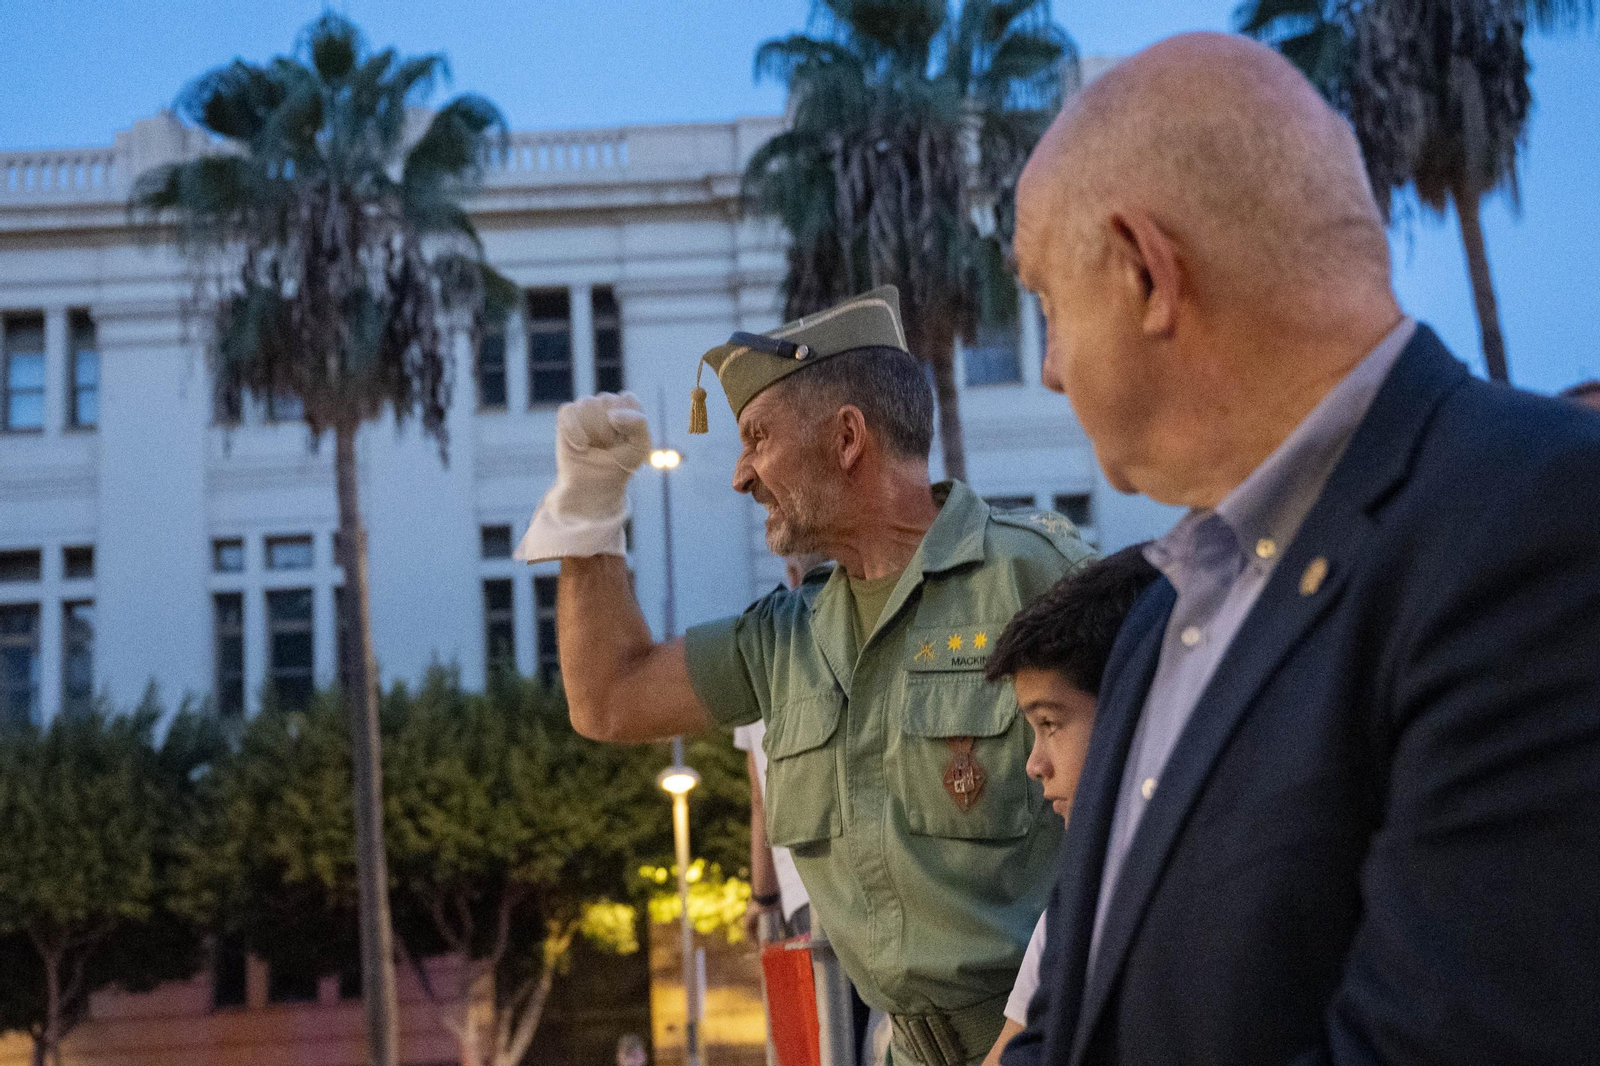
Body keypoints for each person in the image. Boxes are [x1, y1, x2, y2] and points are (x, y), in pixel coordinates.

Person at [1005, 31, 1600, 1066]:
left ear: (1149, 274)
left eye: (1047, 305)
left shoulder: (1538, 523)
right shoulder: (1159, 620)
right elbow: (1072, 1023)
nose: (1050, 369)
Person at [516, 286, 1094, 1066]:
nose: (740, 475)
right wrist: (587, 515)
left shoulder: (1038, 575)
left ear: (847, 436)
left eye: (757, 438)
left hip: (1056, 1036)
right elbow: (609, 699)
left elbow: (1152, 809)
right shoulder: (787, 636)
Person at [968, 548, 1159, 1066]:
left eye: (1051, 723)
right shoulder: (1082, 888)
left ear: (1135, 705)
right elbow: (1019, 1042)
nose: (1035, 764)